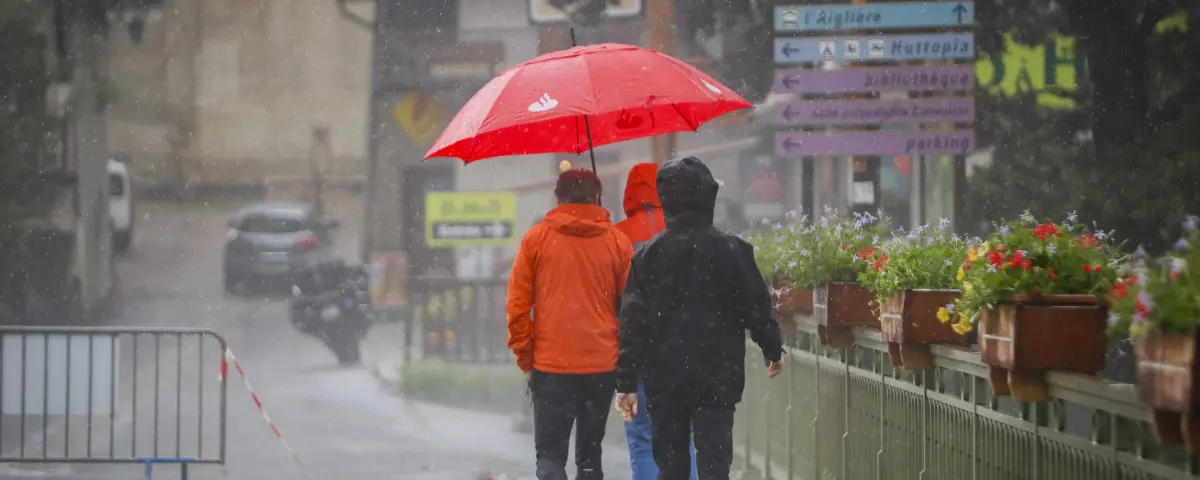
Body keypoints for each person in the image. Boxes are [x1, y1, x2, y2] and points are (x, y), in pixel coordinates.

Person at [614, 157, 784, 480]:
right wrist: (772, 348)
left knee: (672, 465)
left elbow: (632, 322)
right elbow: (756, 306)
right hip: (717, 376)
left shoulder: (648, 256)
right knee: (714, 464)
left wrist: (626, 382)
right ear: (708, 197)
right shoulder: (733, 250)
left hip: (665, 378)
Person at [506, 169, 635, 480]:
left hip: (551, 366)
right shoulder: (617, 242)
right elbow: (633, 307)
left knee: (550, 457)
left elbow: (518, 307)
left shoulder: (536, 240)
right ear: (597, 197)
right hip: (602, 364)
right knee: (590, 456)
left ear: (558, 197)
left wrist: (526, 358)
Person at [612, 163, 698, 480]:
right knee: (683, 434)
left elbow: (614, 296)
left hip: (636, 347)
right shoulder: (687, 231)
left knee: (642, 437)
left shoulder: (617, 236)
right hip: (684, 346)